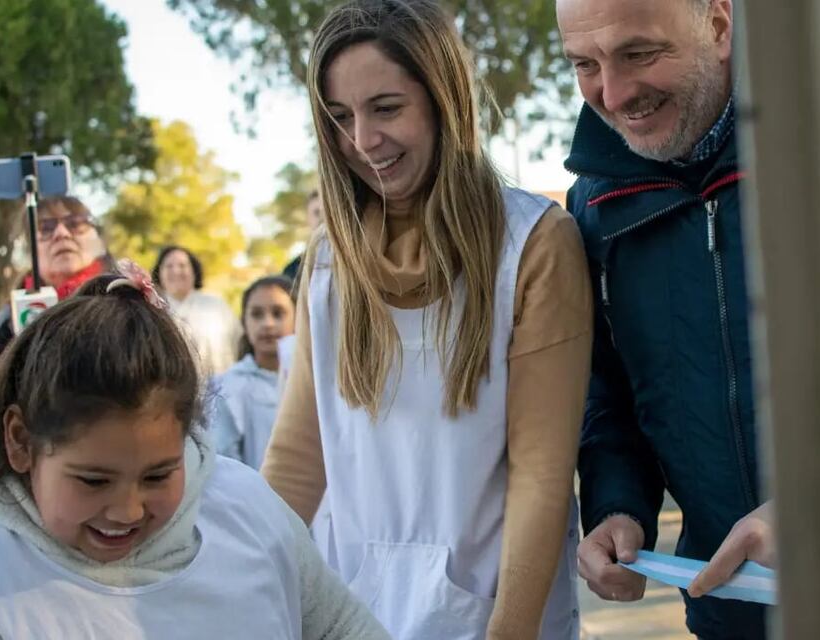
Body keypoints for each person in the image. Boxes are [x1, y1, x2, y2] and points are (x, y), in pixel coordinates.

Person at [260, 1, 593, 638]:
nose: (362, 140)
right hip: (351, 616)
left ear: (444, 102)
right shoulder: (328, 260)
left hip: (497, 616)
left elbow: (542, 474)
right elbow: (299, 461)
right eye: (339, 117)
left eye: (386, 108)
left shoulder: (534, 246)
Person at [0, 266, 389, 639]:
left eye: (158, 476)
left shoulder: (248, 507)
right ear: (21, 442)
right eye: (94, 481)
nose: (128, 511)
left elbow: (340, 626)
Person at [556, 0, 774, 638]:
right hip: (725, 609)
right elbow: (611, 393)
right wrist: (616, 506)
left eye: (639, 54)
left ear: (719, 23)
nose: (615, 93)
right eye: (584, 64)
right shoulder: (591, 206)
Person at [0, 196, 113, 390]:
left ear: (98, 241)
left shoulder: (126, 295)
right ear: (30, 251)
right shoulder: (10, 316)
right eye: (46, 228)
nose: (61, 234)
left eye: (75, 224)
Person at [210, 275, 296, 469]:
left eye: (278, 313)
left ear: (298, 319)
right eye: (257, 314)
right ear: (244, 322)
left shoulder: (315, 386)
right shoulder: (227, 388)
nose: (267, 324)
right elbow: (224, 463)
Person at [152, 245, 241, 376]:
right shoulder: (153, 309)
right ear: (159, 273)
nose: (176, 271)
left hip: (222, 386)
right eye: (169, 266)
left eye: (182, 265)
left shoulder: (216, 305)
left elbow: (239, 342)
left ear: (194, 271)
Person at [282, 189, 324, 281]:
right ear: (308, 218)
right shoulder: (292, 270)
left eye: (327, 212)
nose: (323, 218)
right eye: (317, 213)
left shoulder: (352, 262)